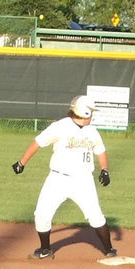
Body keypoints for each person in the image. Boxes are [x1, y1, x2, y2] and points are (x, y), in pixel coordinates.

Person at [12, 95, 117, 259]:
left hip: (83, 181)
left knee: (95, 216)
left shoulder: (92, 131)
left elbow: (100, 151)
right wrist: (21, 162)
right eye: (91, 112)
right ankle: (45, 250)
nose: (93, 115)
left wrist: (104, 169)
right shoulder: (60, 127)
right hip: (57, 179)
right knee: (41, 214)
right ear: (85, 113)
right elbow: (38, 142)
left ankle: (109, 250)